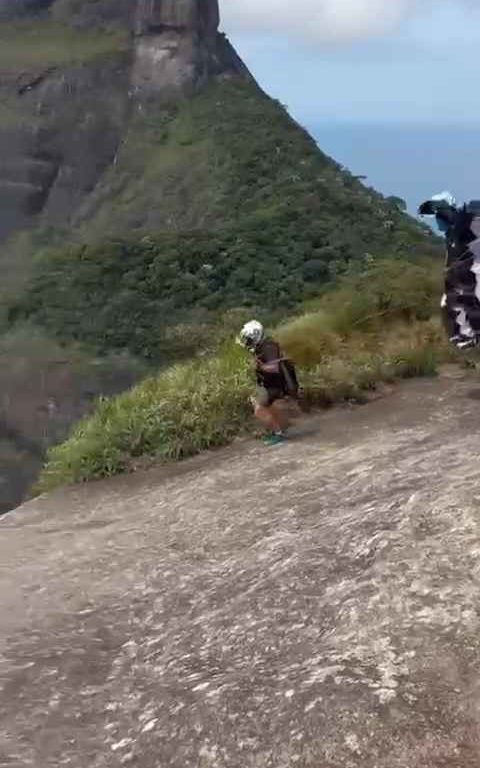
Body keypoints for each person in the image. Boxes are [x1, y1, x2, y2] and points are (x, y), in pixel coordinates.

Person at [419, 191, 480, 350]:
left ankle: (468, 338)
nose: (438, 219)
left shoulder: (467, 226)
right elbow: (451, 258)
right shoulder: (452, 234)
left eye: (440, 214)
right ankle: (464, 338)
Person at [238, 320, 300, 446]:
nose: (247, 342)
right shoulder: (263, 346)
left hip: (276, 385)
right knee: (268, 406)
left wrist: (257, 367)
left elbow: (274, 368)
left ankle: (277, 433)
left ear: (255, 335)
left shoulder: (269, 347)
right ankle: (278, 429)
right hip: (270, 384)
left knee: (259, 410)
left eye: (248, 339)